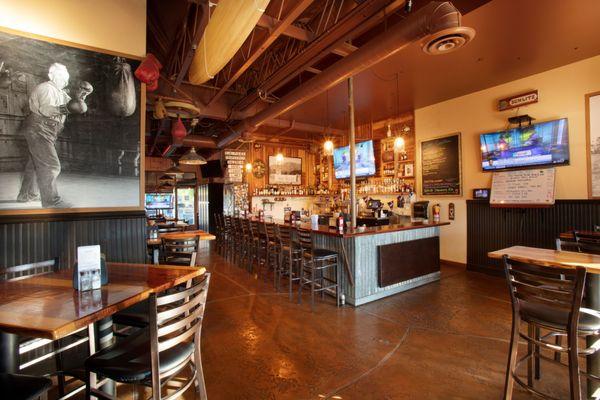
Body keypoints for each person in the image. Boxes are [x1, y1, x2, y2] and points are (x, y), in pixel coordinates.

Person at [17, 63, 92, 208]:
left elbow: (75, 104)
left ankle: (26, 194)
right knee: (51, 165)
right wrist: (66, 107)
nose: (64, 79)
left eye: (66, 77)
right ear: (52, 76)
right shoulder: (47, 88)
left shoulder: (60, 92)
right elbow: (46, 109)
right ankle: (52, 202)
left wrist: (83, 95)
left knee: (34, 163)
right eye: (61, 76)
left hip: (46, 130)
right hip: (39, 128)